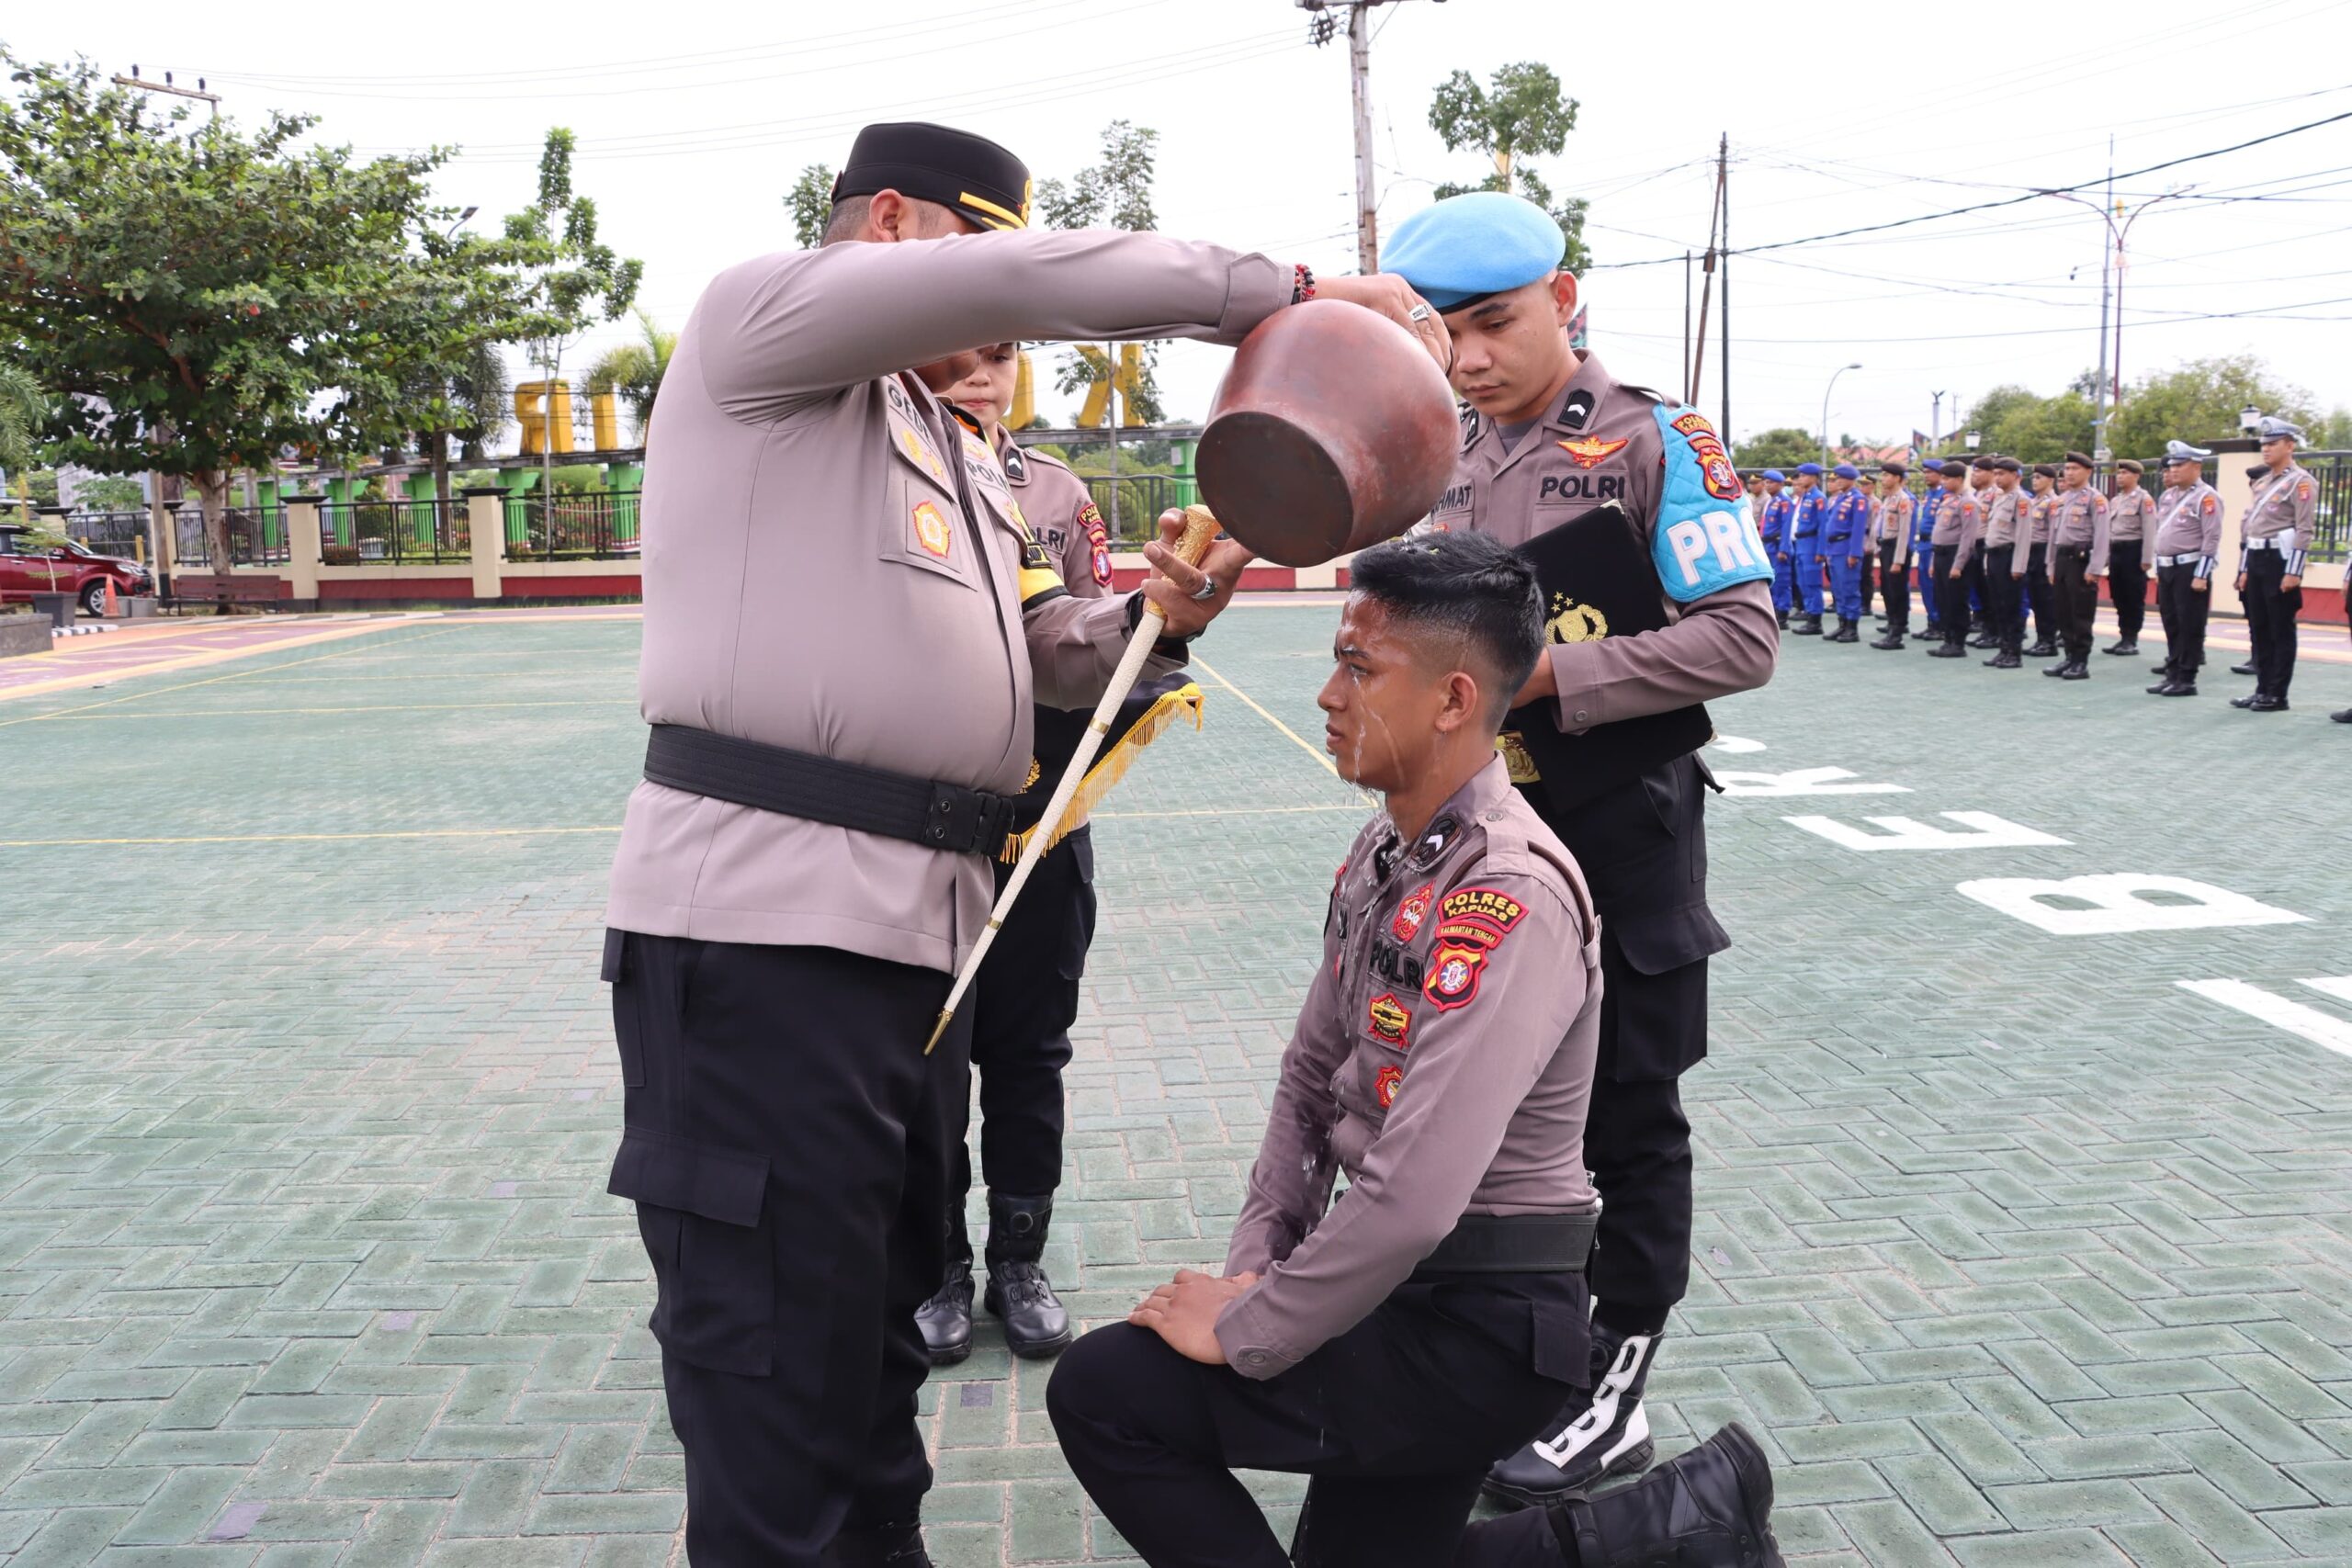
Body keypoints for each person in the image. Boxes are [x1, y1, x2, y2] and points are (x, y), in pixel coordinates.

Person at [599, 119, 1447, 1566]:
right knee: (770, 1376)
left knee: (872, 1360)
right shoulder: (764, 325)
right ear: (886, 229)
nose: (988, 312)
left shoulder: (951, 445)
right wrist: (1289, 287)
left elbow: (1034, 659)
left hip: (924, 945)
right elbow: (1038, 277)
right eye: (967, 250)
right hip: (764, 941)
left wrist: (1156, 620)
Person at [1044, 531, 1785, 1568]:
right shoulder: (1391, 851)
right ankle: (1679, 1525)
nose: (1327, 696)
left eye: (1358, 668)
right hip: (1401, 1289)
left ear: (1449, 701)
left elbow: (1415, 1194)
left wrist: (1255, 1328)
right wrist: (1257, 1262)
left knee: (1107, 1390)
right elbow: (1308, 1082)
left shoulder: (1506, 895)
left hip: (1478, 1328)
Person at [1376, 190, 1781, 1510]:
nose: (1472, 356)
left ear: (1566, 299)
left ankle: (1615, 1378)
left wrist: (1549, 674)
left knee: (1628, 1114)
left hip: (1625, 833)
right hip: (1484, 839)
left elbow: (1741, 636)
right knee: (1478, 1098)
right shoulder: (1441, 453)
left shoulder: (1656, 441)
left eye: (1495, 323)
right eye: (1446, 334)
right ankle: (1516, 1349)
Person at [908, 343, 1116, 1367]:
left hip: (1043, 827)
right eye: (948, 357)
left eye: (995, 357)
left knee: (1031, 1054)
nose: (975, 376)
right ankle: (936, 1263)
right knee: (926, 1058)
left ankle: (1018, 1262)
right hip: (917, 833)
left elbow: (1095, 639)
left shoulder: (1057, 491)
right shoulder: (878, 485)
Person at [2233, 416, 2315, 714]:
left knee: (2280, 629)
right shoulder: (2264, 481)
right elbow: (2251, 529)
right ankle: (2262, 689)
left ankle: (2277, 694)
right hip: (2256, 558)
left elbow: (2305, 530)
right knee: (2260, 627)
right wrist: (2244, 568)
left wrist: (2294, 571)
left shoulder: (2301, 482)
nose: (2266, 449)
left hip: (2279, 561)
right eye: (2264, 444)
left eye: (2273, 444)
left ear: (2289, 446)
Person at [2147, 441, 2222, 697]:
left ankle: (2187, 678)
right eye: (2172, 464)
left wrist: (2202, 574)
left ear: (2196, 466)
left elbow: (2211, 538)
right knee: (2172, 623)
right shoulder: (2168, 496)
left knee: (2190, 624)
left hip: (2190, 568)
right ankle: (2173, 672)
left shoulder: (2206, 497)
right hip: (2168, 568)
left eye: (2180, 464)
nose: (2173, 469)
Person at [2040, 451, 2109, 681]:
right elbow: (2053, 535)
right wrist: (2050, 565)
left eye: (2074, 469)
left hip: (2081, 562)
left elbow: (2102, 536)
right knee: (2063, 612)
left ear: (2088, 472)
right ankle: (2069, 656)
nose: (2069, 473)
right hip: (2061, 559)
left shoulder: (2095, 499)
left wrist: (2095, 568)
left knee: (2080, 613)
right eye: (2067, 469)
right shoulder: (2061, 500)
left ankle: (2081, 661)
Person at [1927, 461, 1984, 660]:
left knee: (1956, 601)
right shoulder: (1948, 500)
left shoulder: (1968, 503)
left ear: (1959, 479)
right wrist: (1934, 561)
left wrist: (1958, 565)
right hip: (1941, 554)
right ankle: (1948, 639)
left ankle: (1958, 642)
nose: (1943, 482)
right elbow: (1939, 532)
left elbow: (1968, 538)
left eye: (1947, 478)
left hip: (1955, 556)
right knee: (1942, 600)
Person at [2104, 458, 2156, 657]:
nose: (2120, 477)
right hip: (2117, 551)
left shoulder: (2144, 499)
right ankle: (2123, 635)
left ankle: (2131, 638)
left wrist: (2146, 558)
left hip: (2133, 551)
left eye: (2125, 473)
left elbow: (2149, 529)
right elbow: (2110, 530)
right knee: (2118, 594)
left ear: (2136, 476)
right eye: (2119, 473)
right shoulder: (2116, 500)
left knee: (2133, 596)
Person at [1979, 457, 2028, 670]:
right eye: (1996, 473)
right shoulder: (1999, 498)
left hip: (2009, 556)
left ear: (2016, 476)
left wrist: (2018, 566)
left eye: (2002, 474)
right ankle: (2003, 649)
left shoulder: (2021, 500)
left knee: (2011, 607)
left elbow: (2024, 536)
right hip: (1994, 556)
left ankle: (2014, 653)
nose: (1997, 477)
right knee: (1998, 606)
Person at [1819, 463, 1870, 642]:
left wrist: (1854, 553)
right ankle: (1842, 624)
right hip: (1834, 549)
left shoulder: (1858, 499)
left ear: (1850, 479)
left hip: (1846, 548)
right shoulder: (1840, 498)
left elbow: (1858, 529)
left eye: (1840, 478)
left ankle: (1852, 628)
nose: (1837, 481)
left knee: (1849, 589)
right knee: (1838, 589)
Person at [1869, 461, 1915, 649]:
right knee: (1887, 590)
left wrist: (1898, 560)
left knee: (1897, 592)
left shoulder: (1903, 500)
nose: (1883, 479)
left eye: (1887, 475)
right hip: (1886, 547)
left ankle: (1897, 633)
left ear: (1897, 478)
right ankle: (1891, 625)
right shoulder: (1888, 498)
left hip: (1897, 548)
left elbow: (1904, 533)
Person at [1783, 463, 1827, 635]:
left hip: (1811, 544)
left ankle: (1815, 620)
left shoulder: (1818, 498)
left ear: (1814, 478)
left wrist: (1821, 551)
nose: (1801, 479)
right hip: (1801, 544)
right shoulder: (1805, 497)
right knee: (1802, 583)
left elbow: (1823, 526)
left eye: (1804, 476)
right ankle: (1809, 616)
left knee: (1812, 583)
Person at [2022, 466, 2060, 658]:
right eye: (2033, 477)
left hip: (2043, 552)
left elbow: (2054, 534)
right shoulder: (2032, 501)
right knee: (2035, 599)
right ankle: (2041, 639)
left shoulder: (2052, 503)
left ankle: (2049, 641)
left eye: (2039, 477)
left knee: (2046, 599)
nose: (2034, 480)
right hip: (2030, 552)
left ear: (2050, 480)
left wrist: (2050, 561)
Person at [1913, 464, 1947, 642]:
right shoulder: (1928, 495)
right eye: (1924, 472)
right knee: (1925, 586)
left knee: (1936, 587)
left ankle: (1939, 624)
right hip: (1924, 544)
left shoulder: (1944, 495)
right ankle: (1931, 622)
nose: (1925, 475)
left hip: (1935, 545)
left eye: (1929, 472)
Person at [1757, 469, 1793, 628]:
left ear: (1780, 484)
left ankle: (1782, 615)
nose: (1767, 485)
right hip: (1768, 545)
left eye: (1771, 482)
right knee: (1772, 582)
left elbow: (1787, 527)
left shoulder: (1785, 501)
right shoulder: (1772, 501)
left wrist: (1784, 549)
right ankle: (1774, 612)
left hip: (1778, 546)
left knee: (1781, 582)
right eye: (1766, 482)